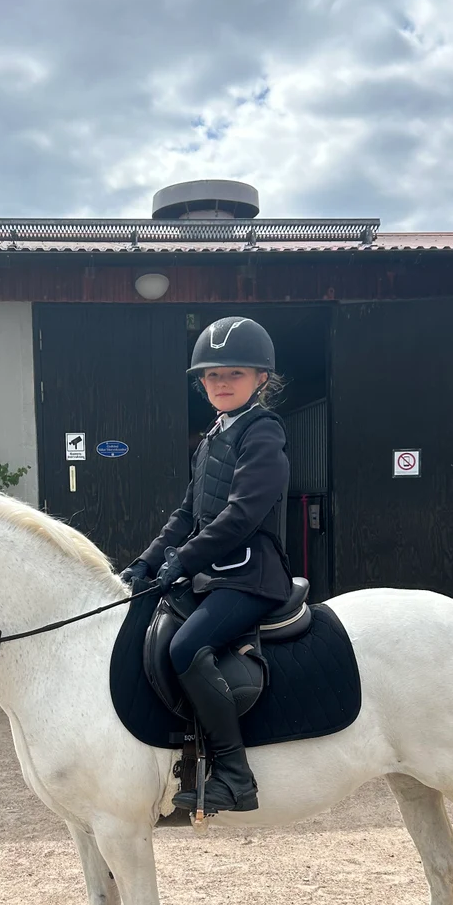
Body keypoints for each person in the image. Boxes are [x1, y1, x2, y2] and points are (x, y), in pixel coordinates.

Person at [121, 315, 291, 813]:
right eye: (212, 375)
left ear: (261, 378)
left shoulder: (263, 435)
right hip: (212, 573)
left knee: (187, 645)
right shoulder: (211, 438)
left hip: (250, 577)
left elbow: (240, 517)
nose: (221, 383)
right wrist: (148, 561)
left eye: (234, 374)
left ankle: (235, 775)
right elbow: (186, 514)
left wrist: (183, 560)